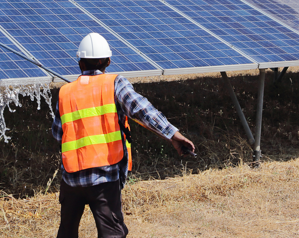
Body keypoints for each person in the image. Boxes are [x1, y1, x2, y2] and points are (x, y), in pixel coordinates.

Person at [52, 33, 195, 238]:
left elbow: (58, 134)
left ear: (80, 63)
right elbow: (143, 110)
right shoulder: (114, 83)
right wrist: (173, 134)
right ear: (108, 61)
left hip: (71, 179)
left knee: (66, 233)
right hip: (104, 178)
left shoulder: (65, 92)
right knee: (112, 234)